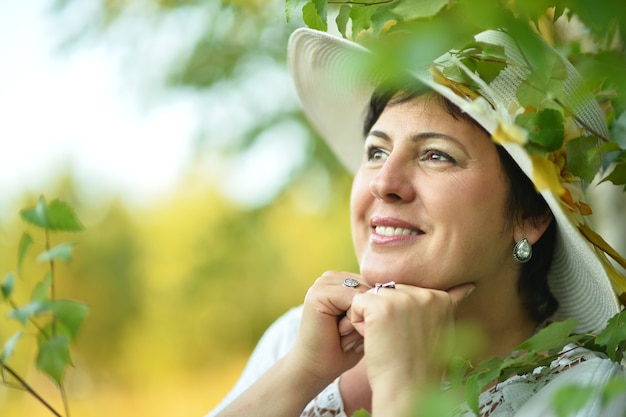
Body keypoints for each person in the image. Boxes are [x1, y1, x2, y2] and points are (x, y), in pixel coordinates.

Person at [206, 27, 626, 417]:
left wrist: (403, 395)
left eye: (436, 155)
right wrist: (303, 372)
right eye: (376, 152)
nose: (384, 183)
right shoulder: (296, 340)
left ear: (531, 217)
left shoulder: (593, 396)